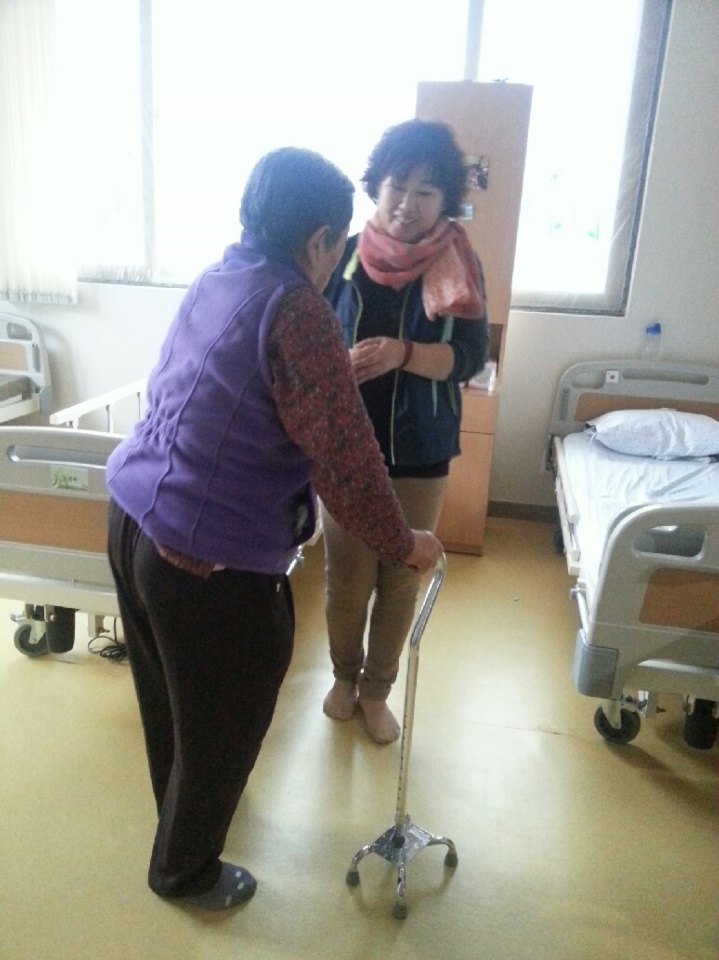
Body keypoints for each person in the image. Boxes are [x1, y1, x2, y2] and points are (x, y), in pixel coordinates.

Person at [105, 146, 443, 910]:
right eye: (337, 246)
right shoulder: (299, 309)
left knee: (173, 704)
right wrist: (402, 543)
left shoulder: (220, 276)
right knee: (229, 716)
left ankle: (179, 822)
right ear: (319, 239)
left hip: (131, 515)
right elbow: (347, 461)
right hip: (200, 556)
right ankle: (185, 871)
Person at [321, 119, 489, 744]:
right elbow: (304, 333)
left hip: (421, 449)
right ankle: (343, 675)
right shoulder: (340, 256)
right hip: (344, 450)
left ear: (446, 200)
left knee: (399, 578)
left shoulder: (459, 265)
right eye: (397, 186)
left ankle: (376, 691)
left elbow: (469, 357)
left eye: (426, 191)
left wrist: (404, 354)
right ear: (377, 186)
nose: (407, 204)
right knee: (347, 582)